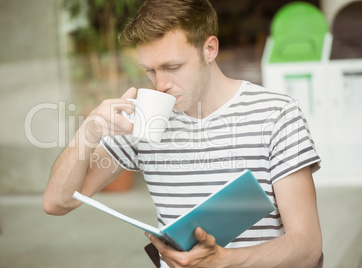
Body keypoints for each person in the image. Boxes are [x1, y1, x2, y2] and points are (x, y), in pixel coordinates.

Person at [43, 0, 323, 267]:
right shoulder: (146, 121)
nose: (160, 84)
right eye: (150, 70)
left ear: (209, 49)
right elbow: (57, 202)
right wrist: (88, 131)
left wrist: (222, 261)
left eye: (172, 67)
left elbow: (308, 247)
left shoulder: (276, 114)